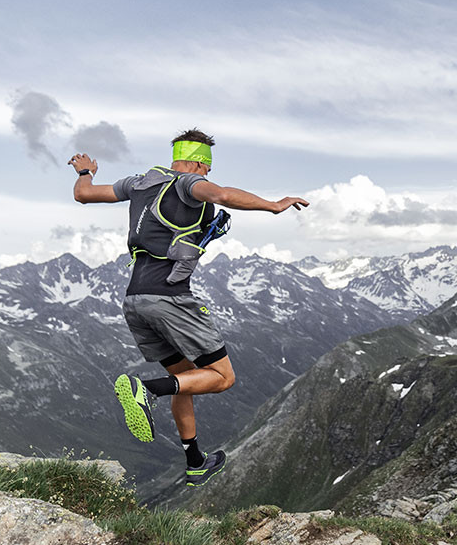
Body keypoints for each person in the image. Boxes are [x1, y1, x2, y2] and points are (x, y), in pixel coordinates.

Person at [68, 128, 308, 487]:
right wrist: (274, 205)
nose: (207, 175)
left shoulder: (139, 183)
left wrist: (86, 172)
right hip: (170, 298)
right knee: (222, 377)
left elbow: (84, 195)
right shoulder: (188, 184)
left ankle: (195, 461)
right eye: (206, 167)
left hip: (135, 300)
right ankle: (145, 390)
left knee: (184, 379)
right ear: (198, 162)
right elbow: (223, 194)